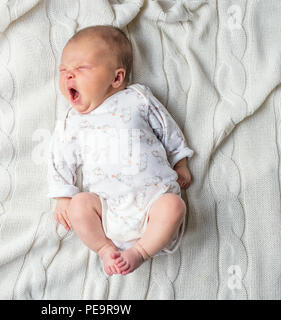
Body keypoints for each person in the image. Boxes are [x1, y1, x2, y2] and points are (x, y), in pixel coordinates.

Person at [47, 25, 194, 276]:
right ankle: (105, 249)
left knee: (175, 206)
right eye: (64, 71)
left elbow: (167, 127)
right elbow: (59, 157)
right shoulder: (72, 121)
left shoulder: (137, 98)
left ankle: (140, 252)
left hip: (154, 201)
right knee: (79, 205)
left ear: (116, 78)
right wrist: (63, 195)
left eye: (80, 69)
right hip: (108, 210)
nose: (69, 76)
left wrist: (180, 161)